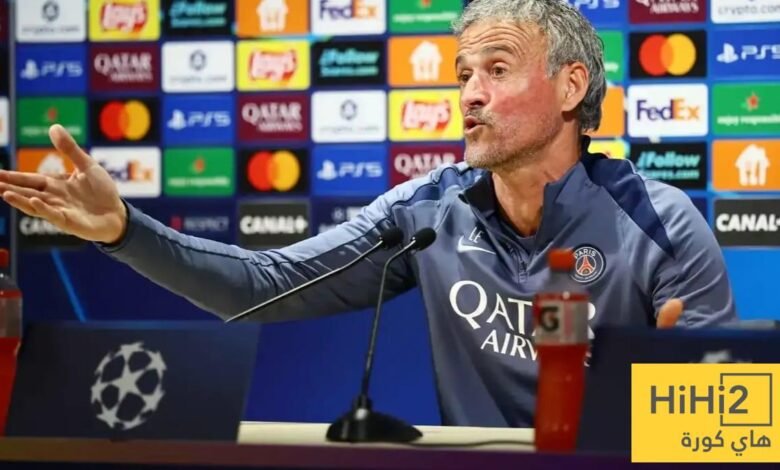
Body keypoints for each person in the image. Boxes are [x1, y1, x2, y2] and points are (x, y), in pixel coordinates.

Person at [0, 0, 736, 427]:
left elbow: (728, 422)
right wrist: (123, 231)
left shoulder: (662, 225)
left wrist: (670, 386)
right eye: (463, 75)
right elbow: (262, 285)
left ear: (571, 87)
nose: (470, 95)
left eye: (497, 70)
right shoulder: (429, 210)